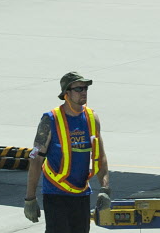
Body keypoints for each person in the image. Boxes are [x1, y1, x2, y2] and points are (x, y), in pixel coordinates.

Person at [24, 71, 110, 231]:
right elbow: (36, 160)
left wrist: (105, 188)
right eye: (78, 89)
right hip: (56, 194)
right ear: (66, 93)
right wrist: (30, 198)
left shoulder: (92, 118)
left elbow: (101, 157)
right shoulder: (50, 120)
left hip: (81, 194)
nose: (84, 92)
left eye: (85, 88)